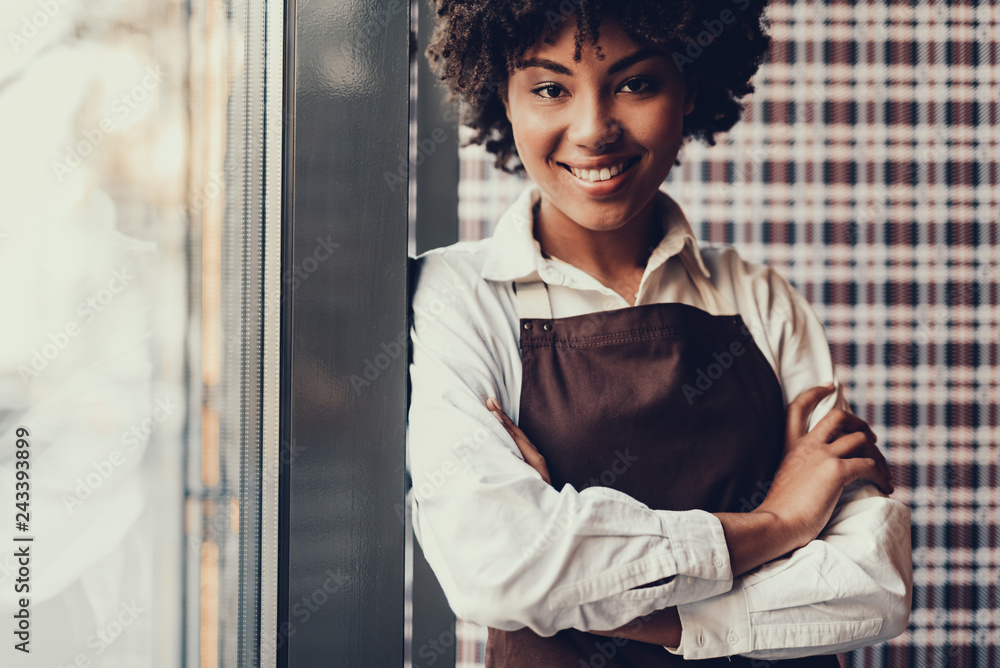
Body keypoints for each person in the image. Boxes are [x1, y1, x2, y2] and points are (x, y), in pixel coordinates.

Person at [407, 1, 913, 665]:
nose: (592, 129)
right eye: (550, 88)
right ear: (503, 96)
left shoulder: (761, 299)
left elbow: (871, 588)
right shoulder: (457, 297)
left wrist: (592, 597)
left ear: (691, 87)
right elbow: (501, 567)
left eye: (636, 83)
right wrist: (779, 525)